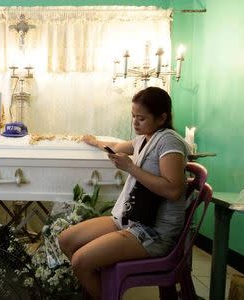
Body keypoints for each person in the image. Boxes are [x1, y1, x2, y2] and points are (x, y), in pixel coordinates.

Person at [58, 87, 190, 299]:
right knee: (66, 239)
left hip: (153, 231)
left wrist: (131, 168)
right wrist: (95, 142)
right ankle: (105, 288)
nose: (135, 123)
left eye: (141, 118)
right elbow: (118, 146)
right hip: (131, 219)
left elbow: (174, 190)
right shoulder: (144, 138)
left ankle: (105, 292)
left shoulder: (169, 142)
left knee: (80, 262)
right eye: (133, 117)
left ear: (161, 118)